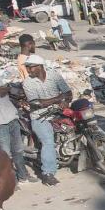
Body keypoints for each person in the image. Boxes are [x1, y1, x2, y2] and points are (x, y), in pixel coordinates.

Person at [21, 54, 71, 186]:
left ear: (40, 66)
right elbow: (36, 103)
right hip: (39, 116)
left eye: (31, 67)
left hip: (58, 111)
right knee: (48, 141)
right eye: (27, 67)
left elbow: (68, 93)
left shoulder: (54, 75)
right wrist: (58, 99)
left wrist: (65, 101)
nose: (28, 70)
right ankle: (48, 173)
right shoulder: (28, 82)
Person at [0, 55, 29, 183]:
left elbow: (4, 93)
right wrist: (5, 90)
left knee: (18, 150)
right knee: (5, 154)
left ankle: (23, 175)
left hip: (10, 117)